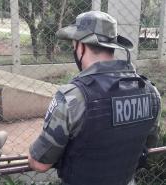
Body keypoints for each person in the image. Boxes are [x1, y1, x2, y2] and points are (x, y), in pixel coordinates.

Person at [28, 11, 161, 185]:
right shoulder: (150, 92)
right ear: (112, 46)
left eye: (74, 46)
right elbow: (149, 144)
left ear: (81, 47)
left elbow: (39, 163)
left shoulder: (72, 97)